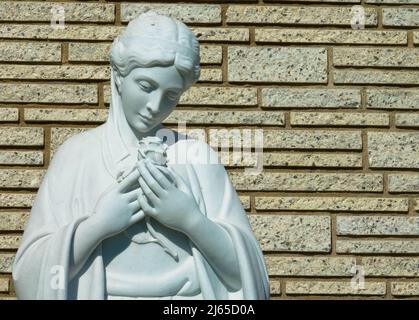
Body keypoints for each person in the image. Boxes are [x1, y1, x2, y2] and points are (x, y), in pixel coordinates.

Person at [12, 11, 269, 300]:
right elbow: (29, 277)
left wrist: (191, 220)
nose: (155, 105)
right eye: (146, 86)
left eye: (171, 95)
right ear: (119, 76)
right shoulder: (77, 156)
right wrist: (97, 226)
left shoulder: (197, 158)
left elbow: (248, 278)